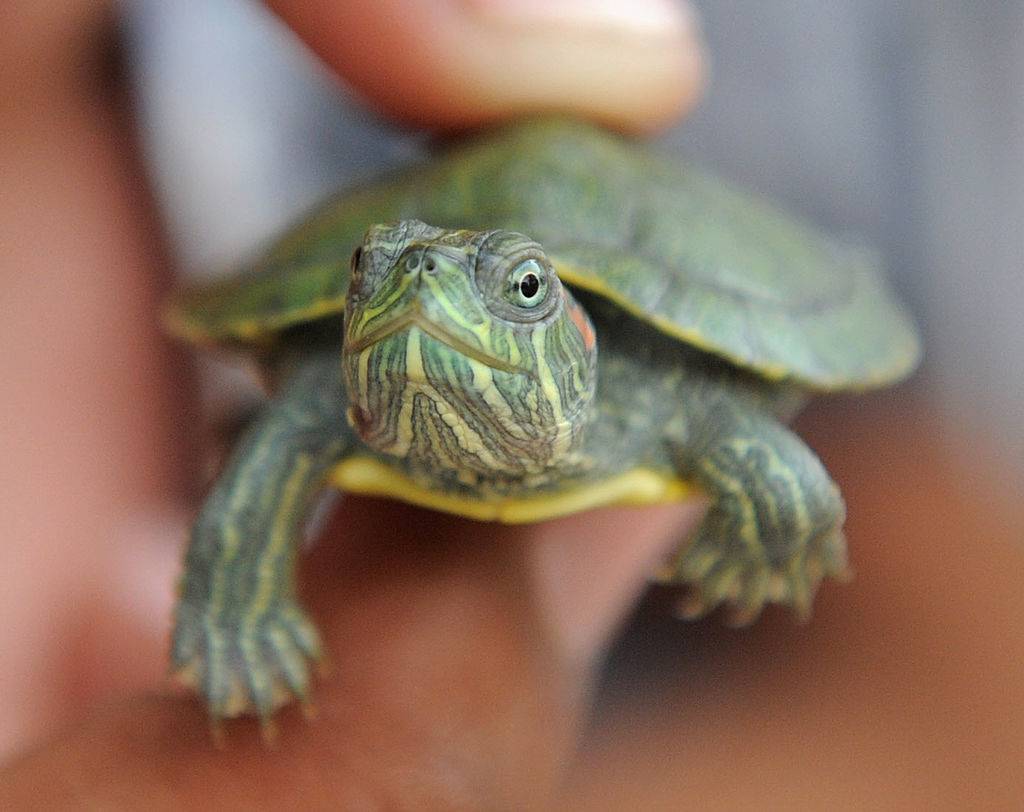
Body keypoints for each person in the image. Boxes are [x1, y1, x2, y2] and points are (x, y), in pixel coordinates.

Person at [3, 2, 1022, 808]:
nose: (421, 302)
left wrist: (776, 533)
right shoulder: (334, 388)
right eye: (378, 278)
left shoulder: (662, 389)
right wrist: (238, 605)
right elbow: (284, 434)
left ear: (574, 336)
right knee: (283, 425)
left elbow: (926, 607)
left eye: (521, 293)